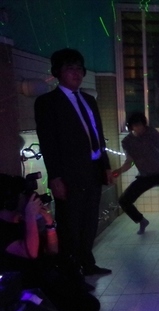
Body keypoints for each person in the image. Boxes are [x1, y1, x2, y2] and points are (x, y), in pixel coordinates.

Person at [34, 48, 113, 276]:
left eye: (79, 68)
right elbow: (48, 142)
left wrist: (106, 166)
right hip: (69, 174)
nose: (77, 73)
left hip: (93, 169)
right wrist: (55, 177)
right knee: (70, 223)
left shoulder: (88, 100)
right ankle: (71, 271)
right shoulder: (48, 102)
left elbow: (98, 136)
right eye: (70, 68)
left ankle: (87, 263)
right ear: (57, 72)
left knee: (89, 220)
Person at [0, 173, 100, 311]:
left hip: (46, 278)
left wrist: (49, 224)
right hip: (28, 288)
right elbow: (31, 253)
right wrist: (30, 217)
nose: (28, 200)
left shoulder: (21, 221)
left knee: (90, 306)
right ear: (10, 201)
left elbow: (52, 251)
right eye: (23, 196)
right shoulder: (3, 230)